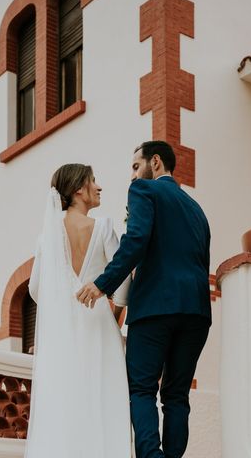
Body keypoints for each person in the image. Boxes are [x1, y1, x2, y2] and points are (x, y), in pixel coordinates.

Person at [77, 141, 212, 458]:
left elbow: (135, 240)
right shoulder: (197, 210)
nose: (134, 175)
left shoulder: (143, 192)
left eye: (136, 166)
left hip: (155, 307)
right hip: (196, 311)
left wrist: (102, 283)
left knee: (141, 389)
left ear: (155, 162)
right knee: (177, 395)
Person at [26, 164, 132, 458]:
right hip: (99, 329)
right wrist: (115, 311)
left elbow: (35, 289)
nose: (99, 187)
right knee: (103, 404)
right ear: (77, 190)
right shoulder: (103, 226)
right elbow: (123, 283)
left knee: (64, 406)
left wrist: (61, 305)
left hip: (63, 336)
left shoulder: (48, 234)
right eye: (93, 181)